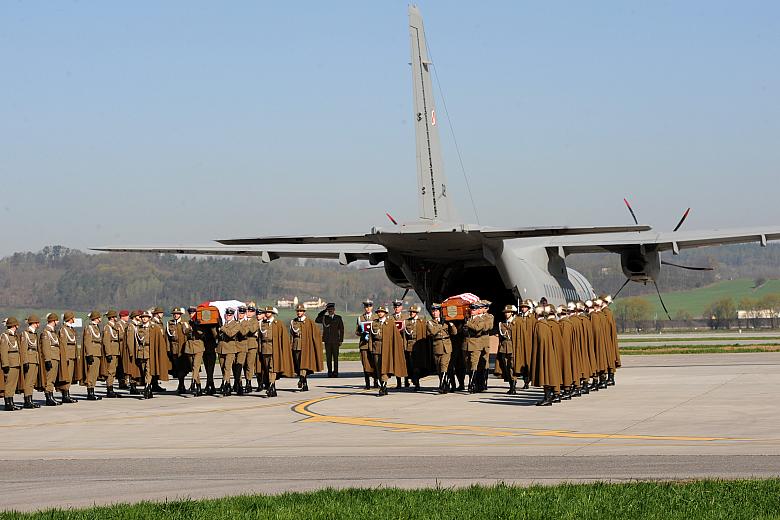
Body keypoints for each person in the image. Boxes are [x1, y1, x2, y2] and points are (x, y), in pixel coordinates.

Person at [368, 305, 407, 396]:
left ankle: (383, 387)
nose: (380, 313)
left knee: (384, 368)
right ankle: (383, 386)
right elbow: (371, 337)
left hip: (387, 349)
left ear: (385, 313)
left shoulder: (390, 323)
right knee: (378, 369)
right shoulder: (374, 323)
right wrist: (371, 348)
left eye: (382, 312)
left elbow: (395, 337)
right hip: (376, 348)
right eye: (378, 312)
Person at [259, 306, 294, 397]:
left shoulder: (278, 324)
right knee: (266, 368)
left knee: (272, 368)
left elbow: (283, 337)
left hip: (274, 348)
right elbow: (260, 337)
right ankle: (272, 386)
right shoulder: (262, 323)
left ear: (272, 313)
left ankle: (271, 386)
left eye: (269, 312)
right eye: (266, 312)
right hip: (264, 349)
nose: (267, 314)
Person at [529, 306, 562, 406]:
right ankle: (547, 396)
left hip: (545, 354)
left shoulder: (540, 325)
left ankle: (547, 398)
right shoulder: (545, 324)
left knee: (545, 374)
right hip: (548, 353)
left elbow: (541, 342)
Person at [289, 304, 323, 391]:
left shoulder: (309, 322)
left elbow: (316, 334)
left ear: (304, 312)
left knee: (303, 365)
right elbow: (291, 335)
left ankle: (301, 379)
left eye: (301, 311)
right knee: (298, 365)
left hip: (306, 346)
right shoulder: (293, 322)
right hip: (296, 346)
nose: (299, 312)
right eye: (298, 311)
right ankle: (305, 383)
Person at [426, 303, 456, 394]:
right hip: (437, 346)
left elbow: (454, 332)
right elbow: (433, 331)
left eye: (436, 311)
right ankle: (446, 385)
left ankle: (442, 385)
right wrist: (441, 324)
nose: (435, 313)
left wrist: (450, 324)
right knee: (439, 368)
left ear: (440, 312)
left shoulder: (446, 321)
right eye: (433, 311)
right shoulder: (430, 322)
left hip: (447, 346)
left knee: (444, 365)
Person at [402, 304, 428, 391]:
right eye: (411, 312)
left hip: (419, 347)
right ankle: (415, 381)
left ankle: (416, 381)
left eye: (413, 312)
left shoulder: (421, 321)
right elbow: (405, 336)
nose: (412, 313)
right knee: (412, 366)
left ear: (416, 313)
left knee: (418, 366)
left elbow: (424, 334)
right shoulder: (407, 322)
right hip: (410, 346)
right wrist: (405, 347)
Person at [495, 304, 519, 394]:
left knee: (512, 366)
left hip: (513, 346)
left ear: (512, 313)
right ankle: (511, 384)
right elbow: (504, 334)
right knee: (506, 366)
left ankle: (513, 385)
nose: (506, 314)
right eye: (505, 312)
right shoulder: (502, 324)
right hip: (504, 347)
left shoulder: (516, 322)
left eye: (508, 312)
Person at [57, 311, 80, 403]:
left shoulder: (70, 329)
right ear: (70, 319)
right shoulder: (63, 330)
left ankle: (67, 394)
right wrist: (65, 357)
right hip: (67, 356)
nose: (74, 319)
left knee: (70, 376)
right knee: (67, 376)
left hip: (72, 355)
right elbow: (63, 344)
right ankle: (65, 395)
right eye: (73, 317)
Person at [217, 307, 240, 396]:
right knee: (223, 368)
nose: (228, 316)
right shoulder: (223, 324)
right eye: (227, 315)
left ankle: (225, 385)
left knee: (227, 368)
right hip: (221, 348)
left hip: (230, 349)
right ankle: (228, 384)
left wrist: (222, 328)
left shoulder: (236, 324)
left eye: (230, 315)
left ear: (233, 315)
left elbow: (231, 334)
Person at [316, 303, 344, 377]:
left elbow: (341, 329)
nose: (330, 311)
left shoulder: (338, 318)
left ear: (334, 310)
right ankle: (329, 372)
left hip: (335, 341)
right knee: (328, 358)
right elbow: (317, 319)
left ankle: (335, 372)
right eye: (329, 310)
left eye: (331, 309)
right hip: (327, 340)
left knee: (335, 358)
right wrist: (324, 311)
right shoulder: (325, 318)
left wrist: (341, 340)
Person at [166, 307, 190, 395]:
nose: (176, 315)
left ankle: (181, 384)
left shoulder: (184, 323)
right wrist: (168, 349)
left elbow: (188, 334)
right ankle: (181, 384)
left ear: (180, 315)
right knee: (177, 368)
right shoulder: (170, 324)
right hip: (174, 349)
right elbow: (167, 338)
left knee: (183, 368)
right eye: (174, 314)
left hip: (183, 349)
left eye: (177, 314)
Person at [1, 317, 23, 411]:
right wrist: (5, 364)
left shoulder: (14, 336)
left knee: (13, 384)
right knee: (9, 384)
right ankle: (8, 403)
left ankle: (11, 402)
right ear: (14, 325)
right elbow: (3, 351)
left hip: (16, 362)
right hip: (10, 363)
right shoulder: (5, 336)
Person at [39, 313, 62, 406]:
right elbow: (46, 347)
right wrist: (47, 359)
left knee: (52, 379)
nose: (57, 322)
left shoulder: (53, 332)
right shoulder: (46, 333)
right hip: (51, 358)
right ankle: (48, 397)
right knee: (49, 378)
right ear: (53, 321)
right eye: (56, 320)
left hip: (55, 357)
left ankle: (51, 396)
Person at [81, 310, 103, 401]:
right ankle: (90, 392)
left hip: (97, 352)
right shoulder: (89, 328)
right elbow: (87, 341)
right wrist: (89, 354)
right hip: (93, 353)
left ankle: (92, 391)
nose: (100, 319)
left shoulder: (96, 327)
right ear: (96, 318)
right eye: (99, 317)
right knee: (91, 373)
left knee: (95, 374)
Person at [355, 300, 377, 390]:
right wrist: (361, 333)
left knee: (375, 363)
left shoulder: (375, 317)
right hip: (364, 344)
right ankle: (367, 383)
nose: (368, 308)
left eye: (369, 306)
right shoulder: (360, 318)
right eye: (366, 307)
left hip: (373, 344)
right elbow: (356, 331)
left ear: (372, 307)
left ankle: (376, 381)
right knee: (365, 363)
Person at [101, 310, 122, 398]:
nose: (116, 318)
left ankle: (111, 388)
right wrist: (108, 353)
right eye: (115, 317)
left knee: (113, 371)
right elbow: (106, 341)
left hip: (116, 352)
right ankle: (109, 389)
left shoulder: (115, 327)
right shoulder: (107, 327)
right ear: (112, 318)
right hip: (112, 352)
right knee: (111, 371)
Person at [185, 306, 206, 396]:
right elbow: (185, 331)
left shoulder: (200, 322)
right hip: (189, 347)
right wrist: (191, 327)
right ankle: (198, 386)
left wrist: (197, 326)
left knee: (195, 366)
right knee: (193, 367)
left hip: (198, 346)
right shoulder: (188, 322)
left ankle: (193, 382)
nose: (191, 315)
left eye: (192, 313)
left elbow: (202, 334)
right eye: (190, 313)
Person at [242, 303, 260, 393]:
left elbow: (252, 330)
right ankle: (246, 380)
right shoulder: (243, 320)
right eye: (247, 311)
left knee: (249, 364)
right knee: (244, 365)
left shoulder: (255, 321)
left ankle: (248, 382)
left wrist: (245, 323)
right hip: (243, 344)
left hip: (252, 345)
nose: (249, 313)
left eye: (251, 311)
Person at [115, 310, 130, 390]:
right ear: (123, 316)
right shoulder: (118, 325)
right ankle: (121, 382)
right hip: (120, 347)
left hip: (125, 347)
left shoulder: (126, 324)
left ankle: (125, 381)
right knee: (120, 365)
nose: (128, 317)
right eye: (127, 316)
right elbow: (118, 335)